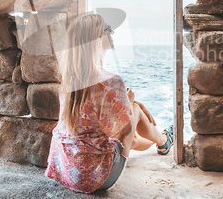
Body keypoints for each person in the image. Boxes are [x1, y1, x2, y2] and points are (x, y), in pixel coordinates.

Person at [45, 13, 174, 193]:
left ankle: (161, 140)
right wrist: (130, 103)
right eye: (108, 30)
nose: (112, 33)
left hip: (65, 171)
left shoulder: (69, 80)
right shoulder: (111, 82)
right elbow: (126, 132)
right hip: (95, 179)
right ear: (96, 39)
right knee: (133, 114)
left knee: (127, 133)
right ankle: (163, 140)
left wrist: (129, 105)